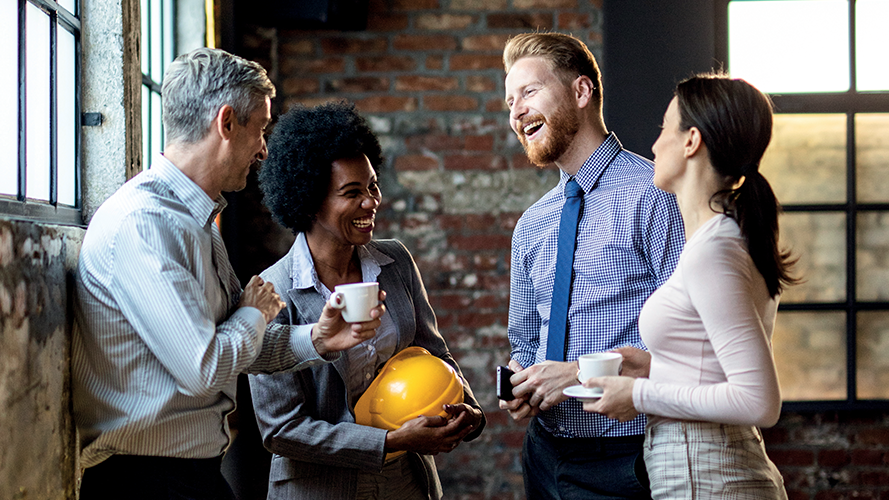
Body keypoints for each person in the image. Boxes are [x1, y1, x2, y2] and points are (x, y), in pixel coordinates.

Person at [73, 48, 385, 500]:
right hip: (145, 482)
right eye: (259, 128)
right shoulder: (145, 223)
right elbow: (205, 366)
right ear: (226, 123)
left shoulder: (195, 219)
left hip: (185, 475)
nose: (262, 148)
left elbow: (235, 345)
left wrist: (317, 338)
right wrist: (255, 311)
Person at [249, 101, 486, 500]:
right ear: (310, 199)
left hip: (406, 483)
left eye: (373, 186)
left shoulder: (395, 263)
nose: (371, 202)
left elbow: (434, 355)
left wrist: (467, 411)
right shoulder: (272, 293)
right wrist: (389, 441)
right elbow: (281, 430)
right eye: (352, 192)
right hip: (318, 490)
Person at [583, 74, 795, 499]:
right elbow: (713, 369)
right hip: (706, 472)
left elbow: (758, 401)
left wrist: (639, 394)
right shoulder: (717, 240)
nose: (655, 143)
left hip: (710, 476)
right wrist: (652, 367)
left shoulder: (713, 249)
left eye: (665, 129)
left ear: (691, 141)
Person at [500, 32, 685, 499]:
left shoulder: (655, 195)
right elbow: (525, 339)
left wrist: (579, 372)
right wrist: (523, 382)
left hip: (629, 455)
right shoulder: (532, 224)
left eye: (529, 92)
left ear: (581, 92)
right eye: (509, 102)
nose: (516, 112)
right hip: (544, 454)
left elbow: (689, 340)